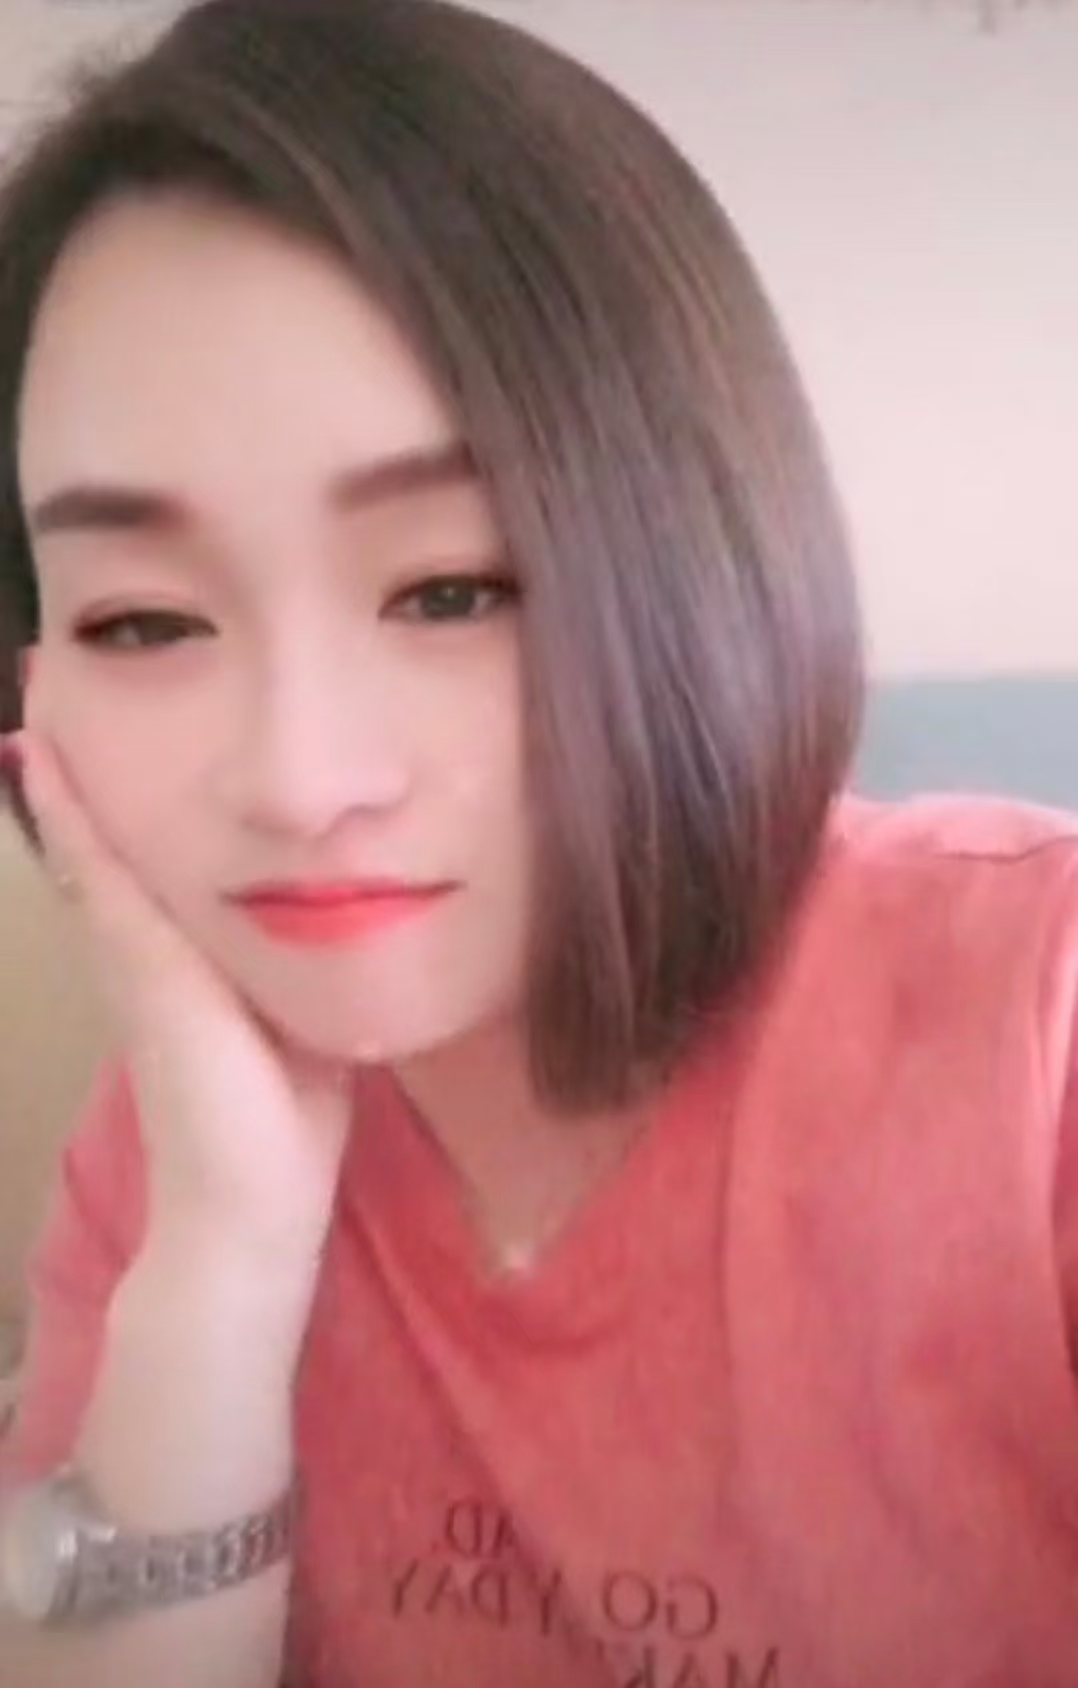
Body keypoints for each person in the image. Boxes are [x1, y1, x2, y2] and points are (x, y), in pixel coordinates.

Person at [0, 0, 1076, 1684]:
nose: (301, 780)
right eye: (142, 620)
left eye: (451, 590)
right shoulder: (174, 1140)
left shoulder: (1036, 1032)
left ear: (693, 555)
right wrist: (218, 1266)